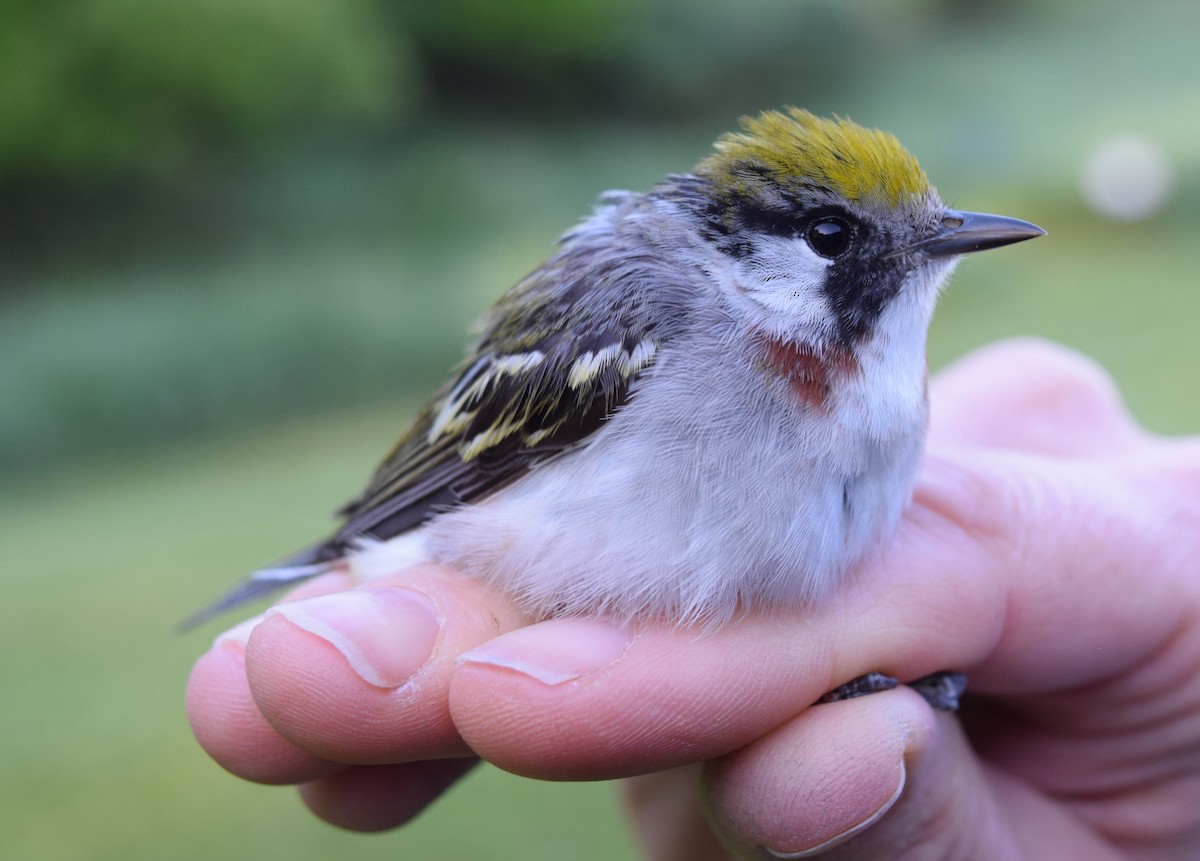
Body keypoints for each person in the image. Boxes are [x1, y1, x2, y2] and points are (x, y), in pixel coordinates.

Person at [187, 339, 1200, 859]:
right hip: (454, 522)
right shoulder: (651, 319)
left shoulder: (880, 383)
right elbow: (472, 457)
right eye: (835, 234)